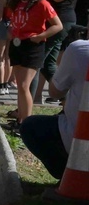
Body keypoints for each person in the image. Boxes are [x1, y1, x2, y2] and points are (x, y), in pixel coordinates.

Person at [21, 30, 89, 179]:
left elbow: (55, 92)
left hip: (80, 142)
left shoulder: (79, 49)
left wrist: (63, 65)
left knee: (30, 126)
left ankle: (69, 177)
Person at [7, 0, 62, 132]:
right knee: (20, 87)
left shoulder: (42, 3)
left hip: (33, 46)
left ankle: (26, 125)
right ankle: (21, 120)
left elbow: (57, 26)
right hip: (17, 44)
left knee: (24, 86)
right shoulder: (15, 1)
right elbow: (13, 20)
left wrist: (40, 36)